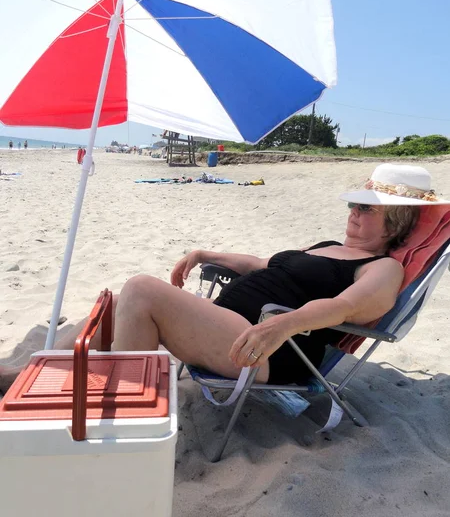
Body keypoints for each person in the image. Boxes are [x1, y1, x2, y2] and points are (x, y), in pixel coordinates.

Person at [1, 164, 449, 392]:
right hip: (231, 326)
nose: (353, 213)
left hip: (268, 348)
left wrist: (288, 322)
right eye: (353, 204)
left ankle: (126, 407)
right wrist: (205, 253)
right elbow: (265, 267)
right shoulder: (330, 247)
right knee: (117, 304)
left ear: (397, 220)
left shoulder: (382, 267)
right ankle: (24, 376)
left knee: (142, 288)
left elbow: (353, 307)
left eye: (366, 208)